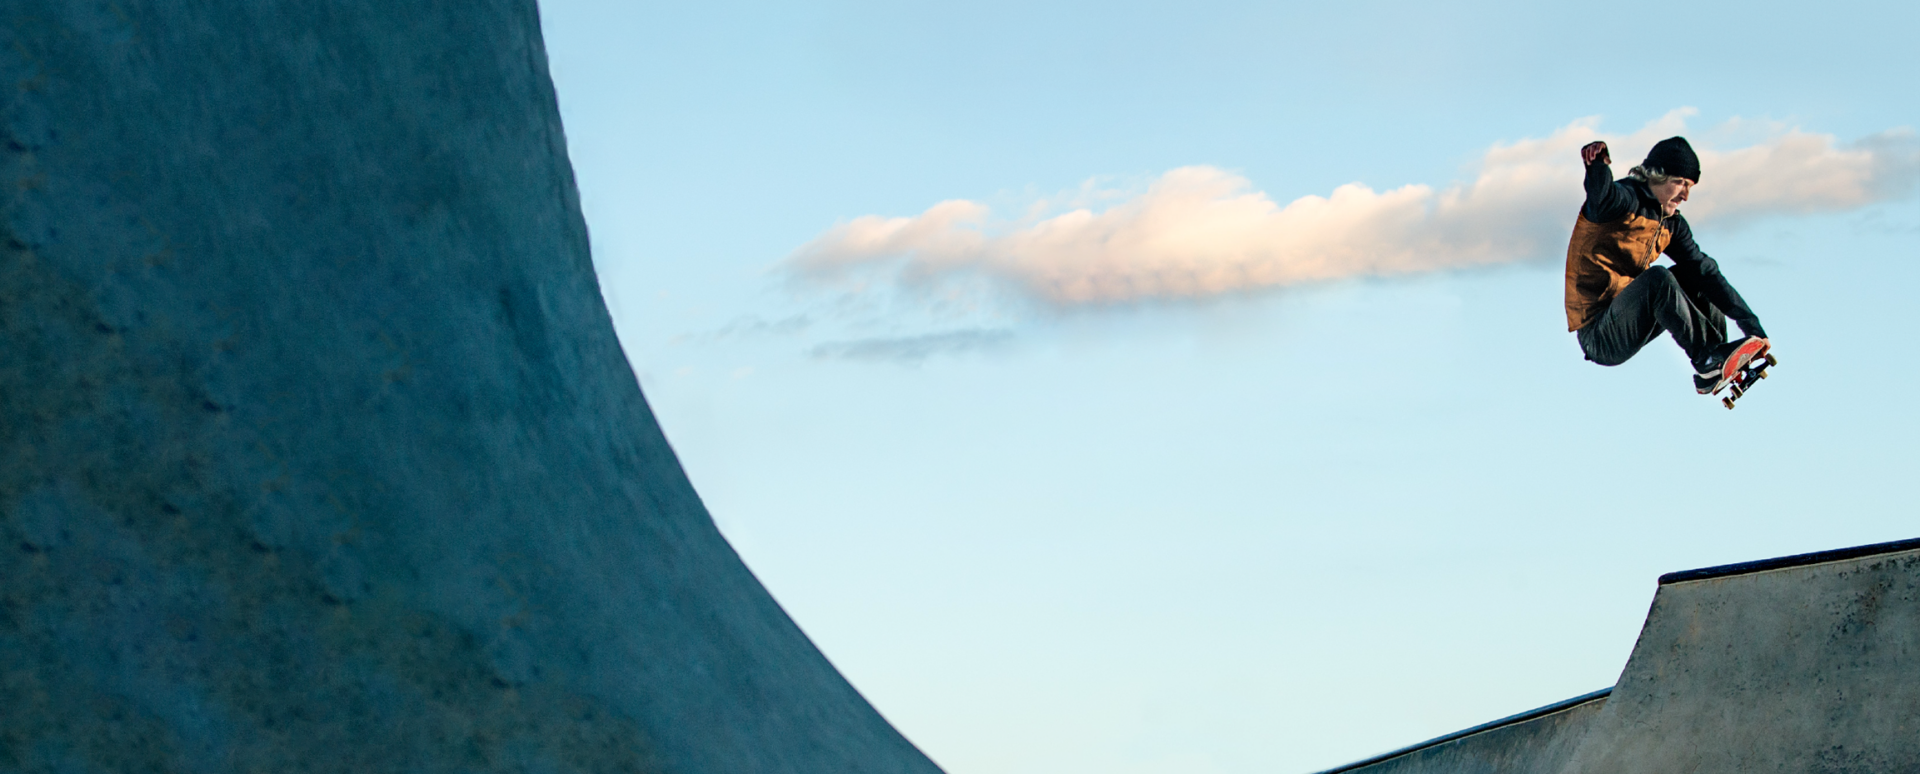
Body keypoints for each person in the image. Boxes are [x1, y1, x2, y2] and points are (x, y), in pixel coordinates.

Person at [1564, 136, 1770, 394]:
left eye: (1690, 186)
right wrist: (1598, 166)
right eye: (1680, 183)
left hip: (1631, 312)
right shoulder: (1623, 201)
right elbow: (1601, 197)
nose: (1685, 195)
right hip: (1599, 333)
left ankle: (1716, 363)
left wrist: (1753, 328)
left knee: (1696, 273)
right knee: (1658, 279)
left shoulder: (1671, 224)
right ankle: (1708, 360)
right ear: (1655, 176)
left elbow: (1707, 273)